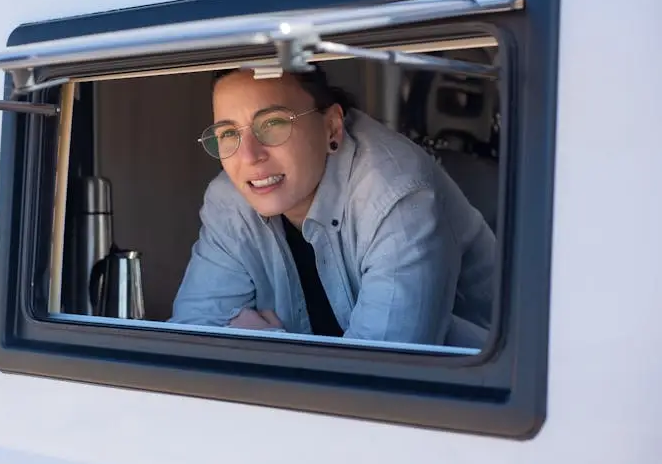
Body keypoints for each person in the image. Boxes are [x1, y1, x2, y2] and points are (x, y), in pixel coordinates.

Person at [168, 66, 495, 347]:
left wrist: (269, 344)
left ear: (332, 127)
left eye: (273, 124)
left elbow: (385, 377)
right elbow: (192, 343)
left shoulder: (396, 195)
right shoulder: (230, 198)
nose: (249, 156)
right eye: (228, 133)